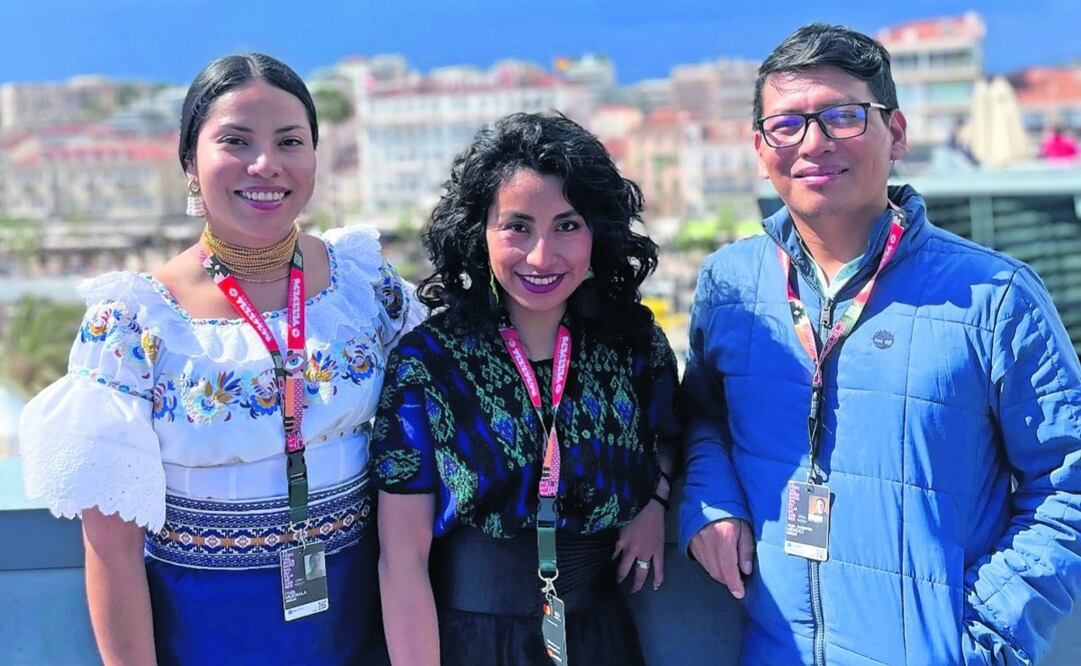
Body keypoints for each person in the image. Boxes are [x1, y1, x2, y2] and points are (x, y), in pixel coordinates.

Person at [679, 23, 1081, 665]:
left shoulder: (995, 296)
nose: (814, 142)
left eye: (842, 116)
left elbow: (1069, 483)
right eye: (788, 124)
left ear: (895, 133)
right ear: (761, 148)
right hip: (772, 648)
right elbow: (701, 413)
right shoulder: (730, 284)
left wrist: (983, 639)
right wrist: (712, 499)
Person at [18, 53, 423, 665]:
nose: (266, 164)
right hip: (208, 632)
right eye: (235, 141)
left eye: (291, 141)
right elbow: (112, 553)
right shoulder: (132, 324)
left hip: (362, 618)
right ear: (189, 161)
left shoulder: (363, 285)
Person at [372, 112, 679, 665]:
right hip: (471, 642)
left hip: (600, 639)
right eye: (517, 226)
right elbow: (402, 558)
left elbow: (668, 433)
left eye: (567, 225)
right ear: (479, 234)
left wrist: (653, 503)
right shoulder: (429, 362)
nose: (542, 256)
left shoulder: (634, 344)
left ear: (598, 232)